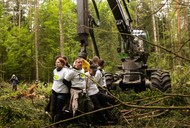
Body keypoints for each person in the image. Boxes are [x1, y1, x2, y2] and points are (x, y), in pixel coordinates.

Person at [46, 57, 70, 123]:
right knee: (53, 108)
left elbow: (68, 81)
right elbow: (55, 81)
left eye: (58, 62)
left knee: (58, 109)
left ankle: (56, 124)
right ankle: (51, 122)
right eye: (56, 62)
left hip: (62, 92)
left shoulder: (66, 71)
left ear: (62, 64)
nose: (57, 64)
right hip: (54, 91)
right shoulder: (54, 70)